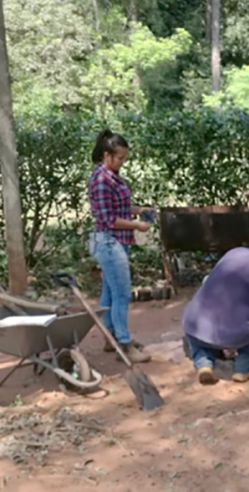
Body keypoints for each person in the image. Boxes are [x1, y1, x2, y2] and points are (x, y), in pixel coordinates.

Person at [182, 242, 249, 385]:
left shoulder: (235, 253)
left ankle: (204, 364)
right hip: (233, 336)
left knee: (200, 313)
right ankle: (243, 368)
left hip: (193, 326)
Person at [87, 129, 153, 363]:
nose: (122, 162)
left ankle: (110, 337)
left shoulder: (111, 176)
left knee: (109, 292)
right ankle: (124, 344)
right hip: (109, 242)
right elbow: (108, 219)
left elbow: (119, 207)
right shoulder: (102, 180)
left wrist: (139, 210)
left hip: (115, 242)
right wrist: (136, 225)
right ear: (107, 155)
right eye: (120, 158)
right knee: (122, 294)